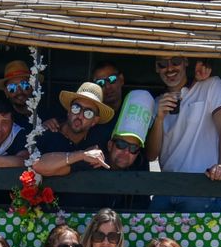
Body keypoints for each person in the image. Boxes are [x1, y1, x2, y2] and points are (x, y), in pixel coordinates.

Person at [33, 83, 148, 212]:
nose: (80, 115)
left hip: (89, 218)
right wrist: (82, 155)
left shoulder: (98, 141)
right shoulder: (48, 133)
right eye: (76, 108)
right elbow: (37, 165)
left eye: (88, 113)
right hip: (44, 216)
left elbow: (119, 158)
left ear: (95, 121)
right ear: (68, 111)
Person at [145, 57, 221, 212]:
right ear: (156, 67)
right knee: (150, 234)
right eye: (163, 64)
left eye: (176, 61)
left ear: (186, 62)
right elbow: (151, 155)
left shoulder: (211, 85)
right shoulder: (157, 102)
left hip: (202, 187)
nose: (170, 68)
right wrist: (159, 118)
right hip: (166, 189)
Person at [0, 60, 38, 127]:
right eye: (12, 87)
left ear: (32, 87)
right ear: (6, 92)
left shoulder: (46, 114)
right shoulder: (4, 119)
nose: (19, 91)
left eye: (24, 85)